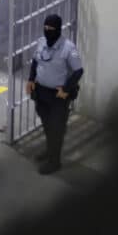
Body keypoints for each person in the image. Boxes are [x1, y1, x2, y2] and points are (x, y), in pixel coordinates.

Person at [25, 14, 83, 175]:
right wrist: (30, 79)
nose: (47, 31)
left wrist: (66, 89)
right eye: (45, 27)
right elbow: (36, 61)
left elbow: (78, 71)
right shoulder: (42, 41)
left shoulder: (68, 48)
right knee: (47, 124)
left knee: (57, 128)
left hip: (58, 96)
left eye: (51, 28)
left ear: (58, 29)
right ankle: (50, 151)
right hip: (41, 91)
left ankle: (54, 162)